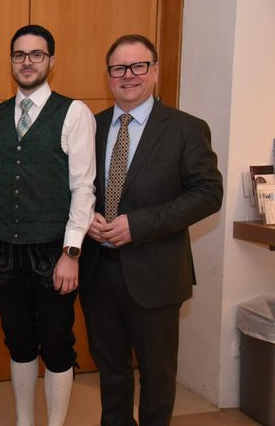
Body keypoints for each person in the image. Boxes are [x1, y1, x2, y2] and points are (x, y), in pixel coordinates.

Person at [79, 34, 223, 426]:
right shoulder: (89, 127)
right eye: (118, 68)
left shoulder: (185, 129)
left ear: (155, 70)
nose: (128, 75)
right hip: (97, 273)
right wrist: (84, 215)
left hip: (156, 274)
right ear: (108, 75)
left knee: (158, 379)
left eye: (138, 66)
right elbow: (74, 187)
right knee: (111, 374)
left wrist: (138, 225)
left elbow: (209, 193)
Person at [0, 24, 96, 426]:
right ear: (11, 60)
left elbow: (83, 188)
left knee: (58, 344)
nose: (27, 62)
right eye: (19, 55)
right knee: (19, 342)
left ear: (51, 60)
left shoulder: (74, 112)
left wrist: (71, 252)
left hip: (54, 250)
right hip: (5, 249)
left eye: (36, 54)